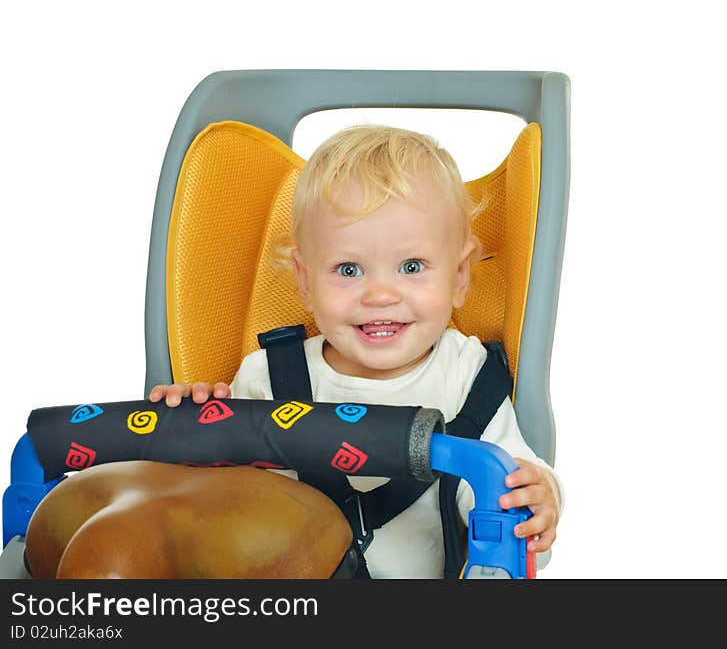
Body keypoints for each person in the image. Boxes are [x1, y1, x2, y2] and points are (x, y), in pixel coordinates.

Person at [150, 125, 562, 578]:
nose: (380, 295)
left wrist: (534, 499)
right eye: (349, 269)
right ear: (305, 283)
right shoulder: (267, 376)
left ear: (460, 276)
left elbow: (509, 491)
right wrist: (190, 428)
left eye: (411, 266)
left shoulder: (467, 378)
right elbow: (216, 505)